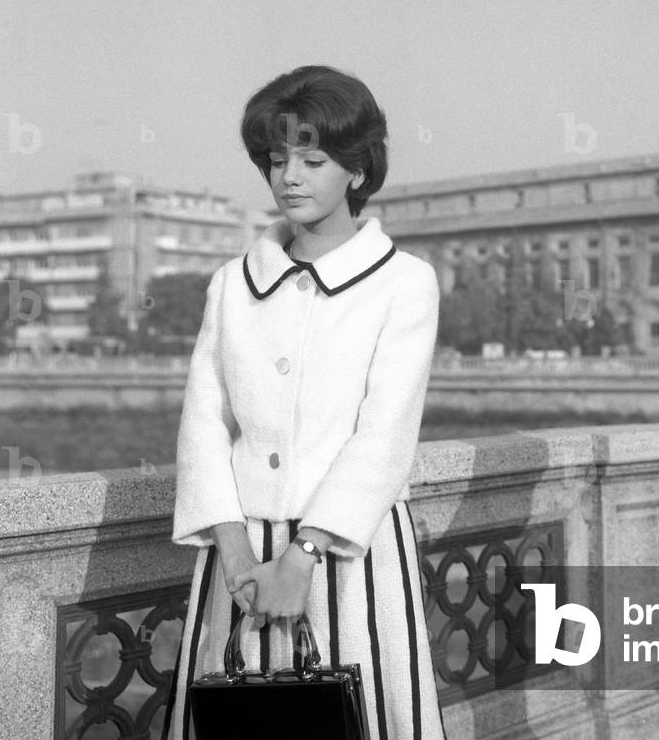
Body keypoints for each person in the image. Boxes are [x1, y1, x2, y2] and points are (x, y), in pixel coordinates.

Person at [160, 65, 446, 740]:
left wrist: (302, 555)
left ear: (356, 169)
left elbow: (385, 434)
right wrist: (233, 556)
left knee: (367, 715)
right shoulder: (232, 283)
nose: (290, 175)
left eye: (312, 159)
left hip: (350, 555)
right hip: (239, 561)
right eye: (276, 158)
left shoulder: (405, 283)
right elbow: (203, 423)